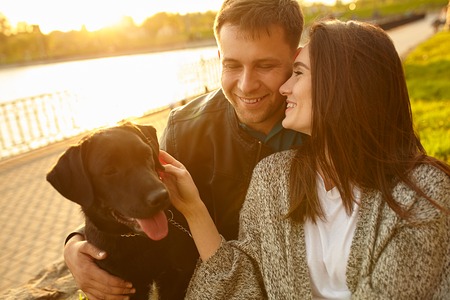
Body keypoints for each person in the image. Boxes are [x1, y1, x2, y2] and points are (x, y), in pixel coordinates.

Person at [161, 19, 450, 299]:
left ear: (340, 84)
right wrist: (194, 209)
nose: (285, 87)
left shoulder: (422, 192)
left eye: (297, 73)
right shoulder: (271, 177)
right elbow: (244, 288)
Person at [63, 0, 305, 299]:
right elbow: (136, 193)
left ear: (295, 60)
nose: (246, 85)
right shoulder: (185, 128)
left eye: (265, 65)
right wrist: (76, 242)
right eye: (231, 65)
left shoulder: (320, 127)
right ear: (219, 57)